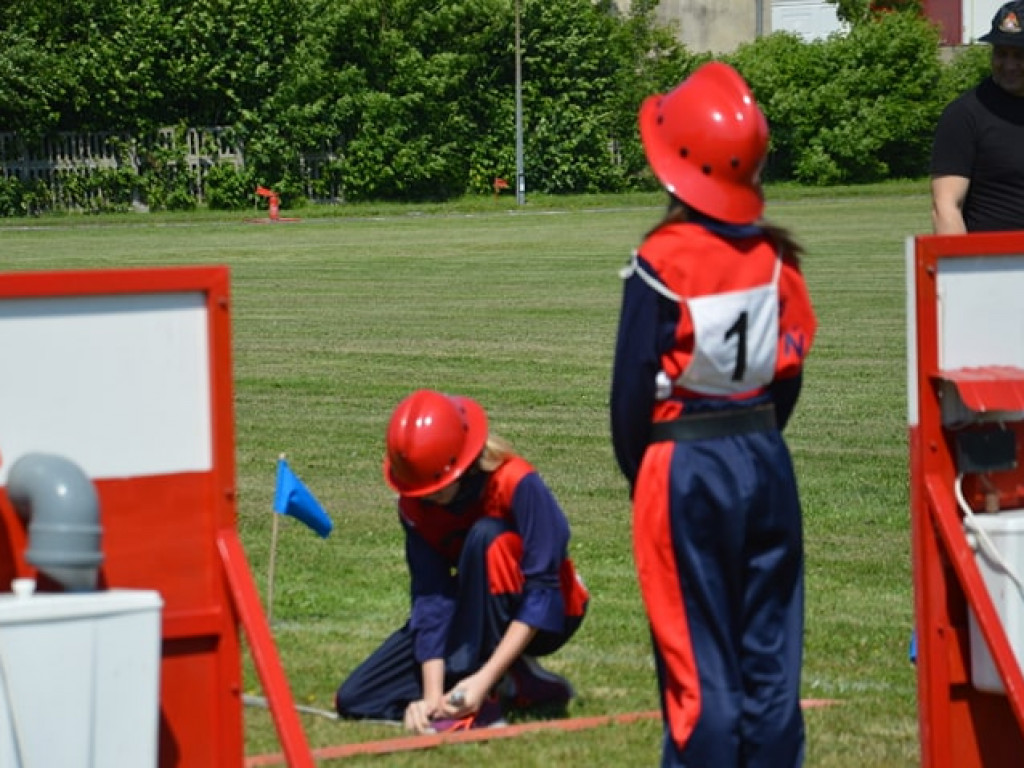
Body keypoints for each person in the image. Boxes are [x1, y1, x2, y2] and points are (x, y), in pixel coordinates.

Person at [610, 61, 817, 767]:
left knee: (699, 667)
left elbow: (630, 392)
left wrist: (647, 473)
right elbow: (788, 373)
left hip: (684, 464)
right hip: (764, 455)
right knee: (770, 656)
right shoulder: (775, 257)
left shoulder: (662, 257)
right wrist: (753, 438)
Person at [335, 389, 589, 734]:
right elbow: (431, 599)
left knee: (487, 538)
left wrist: (484, 679)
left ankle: (489, 697)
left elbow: (543, 588)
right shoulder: (415, 506)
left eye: (435, 489)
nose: (426, 499)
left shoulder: (517, 482)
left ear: (463, 464)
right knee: (357, 699)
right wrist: (432, 697)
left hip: (548, 614)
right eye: (418, 491)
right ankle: (519, 681)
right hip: (474, 611)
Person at [931, 0, 1024, 234]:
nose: (1009, 65)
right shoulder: (964, 115)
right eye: (1001, 53)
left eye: (1020, 54)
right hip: (994, 264)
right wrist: (963, 268)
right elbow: (946, 206)